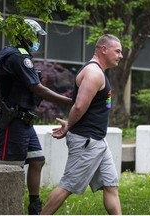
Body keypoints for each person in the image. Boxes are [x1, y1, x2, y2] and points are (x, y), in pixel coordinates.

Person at [0, 18, 72, 215]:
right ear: (25, 36)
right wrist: (69, 101)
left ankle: (34, 206)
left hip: (23, 120)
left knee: (37, 160)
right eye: (35, 36)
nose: (38, 40)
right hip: (12, 120)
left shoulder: (7, 53)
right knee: (10, 167)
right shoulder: (19, 58)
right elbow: (37, 88)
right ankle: (4, 208)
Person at [40, 34, 123, 215]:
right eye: (117, 51)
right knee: (67, 186)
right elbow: (78, 106)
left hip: (98, 141)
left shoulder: (99, 72)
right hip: (87, 141)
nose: (120, 55)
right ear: (104, 49)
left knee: (111, 185)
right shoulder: (94, 73)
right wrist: (69, 125)